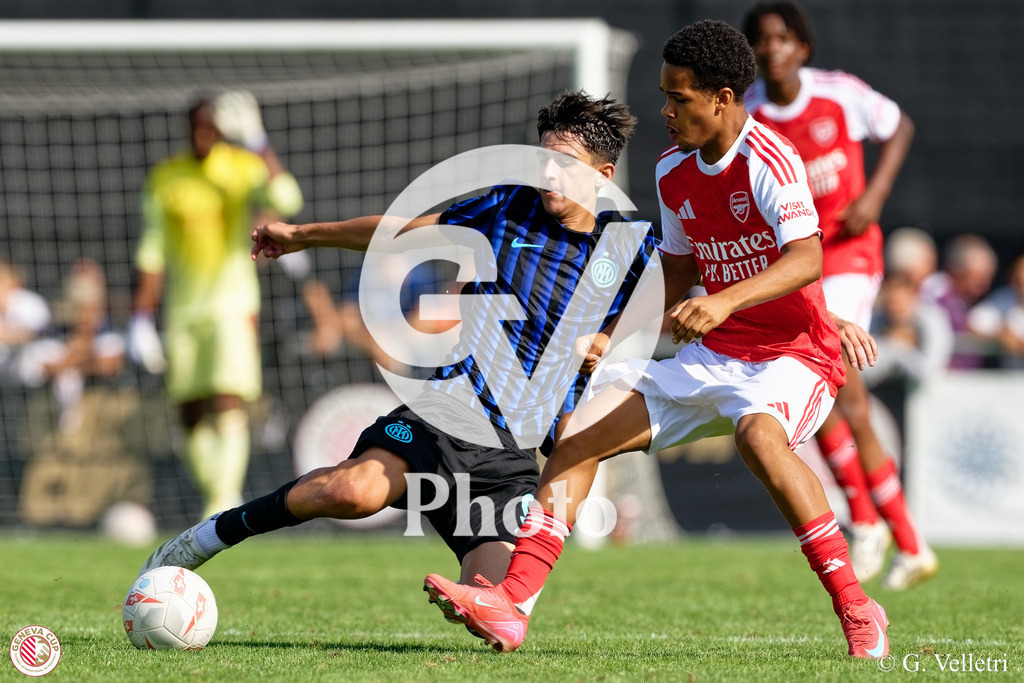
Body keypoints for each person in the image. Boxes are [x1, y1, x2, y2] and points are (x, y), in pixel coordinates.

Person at [422, 20, 889, 659]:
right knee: (581, 432)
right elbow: (675, 269)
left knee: (758, 436)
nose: (665, 111)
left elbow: (806, 259)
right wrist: (614, 335)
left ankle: (858, 608)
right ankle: (512, 605)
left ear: (722, 99)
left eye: (678, 97)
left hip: (793, 355)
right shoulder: (673, 170)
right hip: (714, 354)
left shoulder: (769, 159)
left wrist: (723, 302)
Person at [136, 92, 660, 595]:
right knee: (350, 493)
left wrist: (609, 337)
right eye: (543, 157)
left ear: (603, 174)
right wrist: (304, 235)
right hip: (448, 413)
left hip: (510, 458)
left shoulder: (628, 247)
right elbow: (401, 231)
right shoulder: (508, 207)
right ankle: (208, 535)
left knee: (496, 600)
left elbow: (683, 283)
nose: (548, 172)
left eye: (564, 162)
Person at [741, 1, 937, 590]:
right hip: (798, 265)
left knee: (836, 381)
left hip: (849, 256)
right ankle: (897, 537)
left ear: (803, 46)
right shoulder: (750, 113)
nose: (772, 48)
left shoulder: (839, 94)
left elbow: (899, 126)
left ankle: (884, 529)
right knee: (822, 392)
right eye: (761, 40)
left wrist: (874, 196)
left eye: (782, 37)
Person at [128, 91, 304, 519]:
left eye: (211, 127)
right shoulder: (166, 177)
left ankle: (223, 499)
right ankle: (216, 494)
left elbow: (288, 199)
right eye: (197, 126)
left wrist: (257, 140)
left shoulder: (241, 167)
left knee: (227, 395)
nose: (203, 134)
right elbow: (152, 250)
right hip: (184, 311)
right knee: (190, 408)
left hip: (232, 304)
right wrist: (140, 318)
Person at [921, 233, 998, 369]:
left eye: (987, 278)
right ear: (956, 271)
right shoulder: (933, 293)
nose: (984, 286)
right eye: (978, 279)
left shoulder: (971, 301)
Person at [967, 253, 1024, 369]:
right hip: (1012, 375)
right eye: (1018, 279)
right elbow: (972, 323)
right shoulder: (1002, 299)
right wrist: (999, 334)